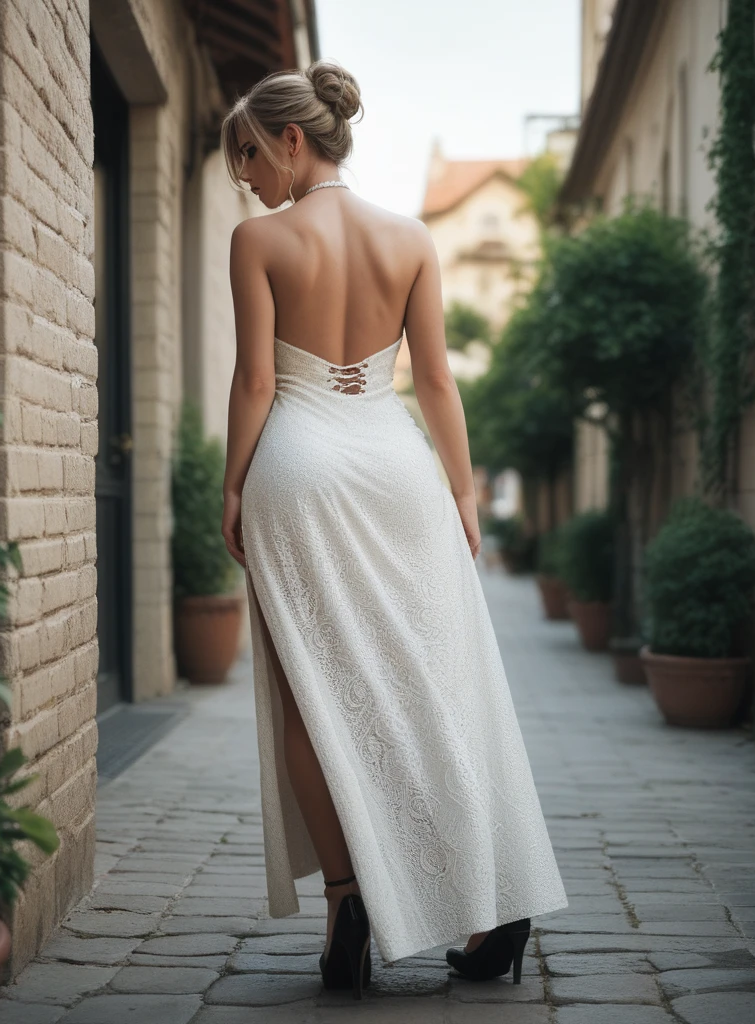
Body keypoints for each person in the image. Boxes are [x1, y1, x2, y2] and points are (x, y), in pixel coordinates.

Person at [219, 58, 568, 1000]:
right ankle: (489, 912)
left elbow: (256, 382)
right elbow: (438, 381)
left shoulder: (259, 241)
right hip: (399, 468)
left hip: (298, 466)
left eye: (250, 154)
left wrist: (231, 486)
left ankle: (347, 905)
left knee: (309, 695)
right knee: (433, 682)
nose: (246, 177)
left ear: (294, 140)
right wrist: (462, 491)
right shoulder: (412, 236)